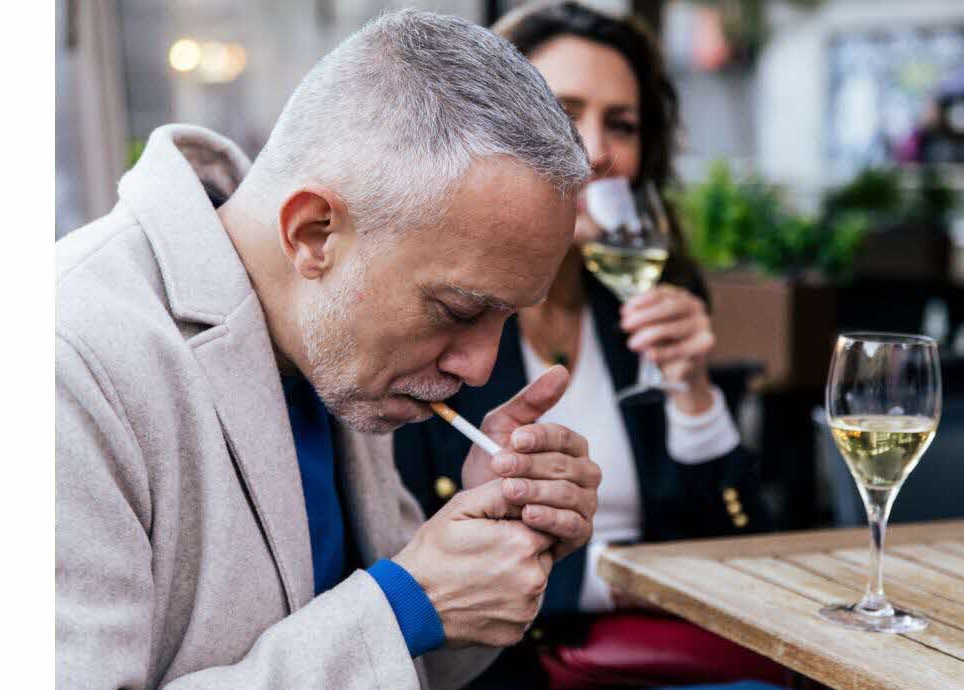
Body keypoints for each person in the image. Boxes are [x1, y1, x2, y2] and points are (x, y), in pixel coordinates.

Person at [56, 10, 601, 689]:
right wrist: (405, 606)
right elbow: (377, 626)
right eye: (459, 310)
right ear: (314, 233)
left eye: (506, 317)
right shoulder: (66, 355)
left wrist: (488, 542)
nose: (481, 367)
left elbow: (397, 663)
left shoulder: (331, 340)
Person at [393, 3, 778, 688]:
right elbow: (414, 549)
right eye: (563, 114)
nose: (596, 150)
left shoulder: (649, 298)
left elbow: (731, 546)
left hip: (664, 659)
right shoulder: (438, 312)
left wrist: (694, 392)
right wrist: (612, 580)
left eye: (621, 125)